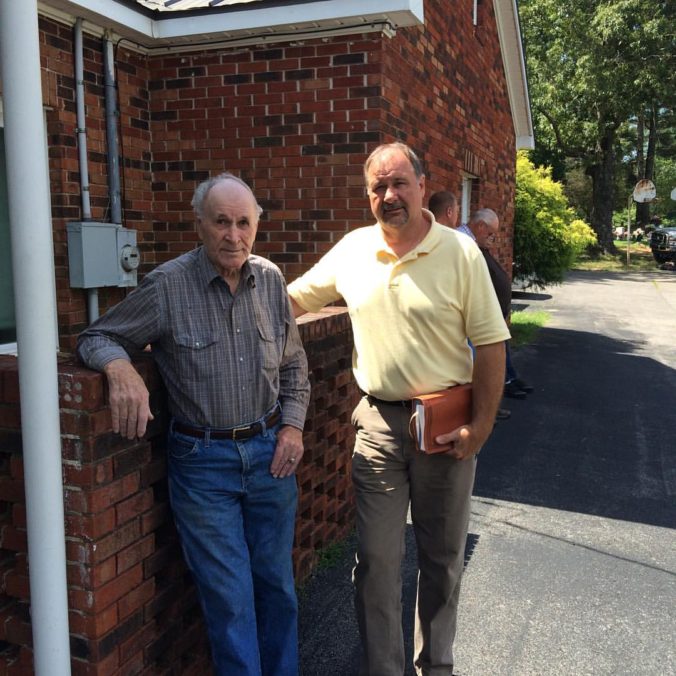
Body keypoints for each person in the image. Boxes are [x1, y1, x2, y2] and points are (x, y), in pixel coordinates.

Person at [287, 143, 510, 676]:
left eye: (399, 183)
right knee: (377, 563)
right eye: (377, 188)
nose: (389, 196)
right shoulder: (353, 250)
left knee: (441, 561)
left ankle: (435, 665)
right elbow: (289, 301)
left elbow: (493, 345)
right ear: (368, 196)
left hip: (447, 428)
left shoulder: (460, 253)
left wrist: (479, 428)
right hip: (379, 426)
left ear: (422, 182)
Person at [77, 173, 310, 676]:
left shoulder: (269, 279)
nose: (233, 235)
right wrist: (119, 369)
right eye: (221, 222)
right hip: (203, 467)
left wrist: (292, 426)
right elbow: (96, 336)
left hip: (271, 453)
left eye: (243, 223)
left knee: (277, 588)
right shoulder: (167, 286)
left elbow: (294, 364)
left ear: (256, 227)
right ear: (200, 225)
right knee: (230, 602)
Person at [464, 208, 533, 400]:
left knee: (500, 345)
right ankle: (487, 399)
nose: (492, 237)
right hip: (477, 314)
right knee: (482, 356)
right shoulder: (463, 242)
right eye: (490, 233)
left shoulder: (475, 242)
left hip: (491, 312)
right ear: (479, 226)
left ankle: (508, 379)